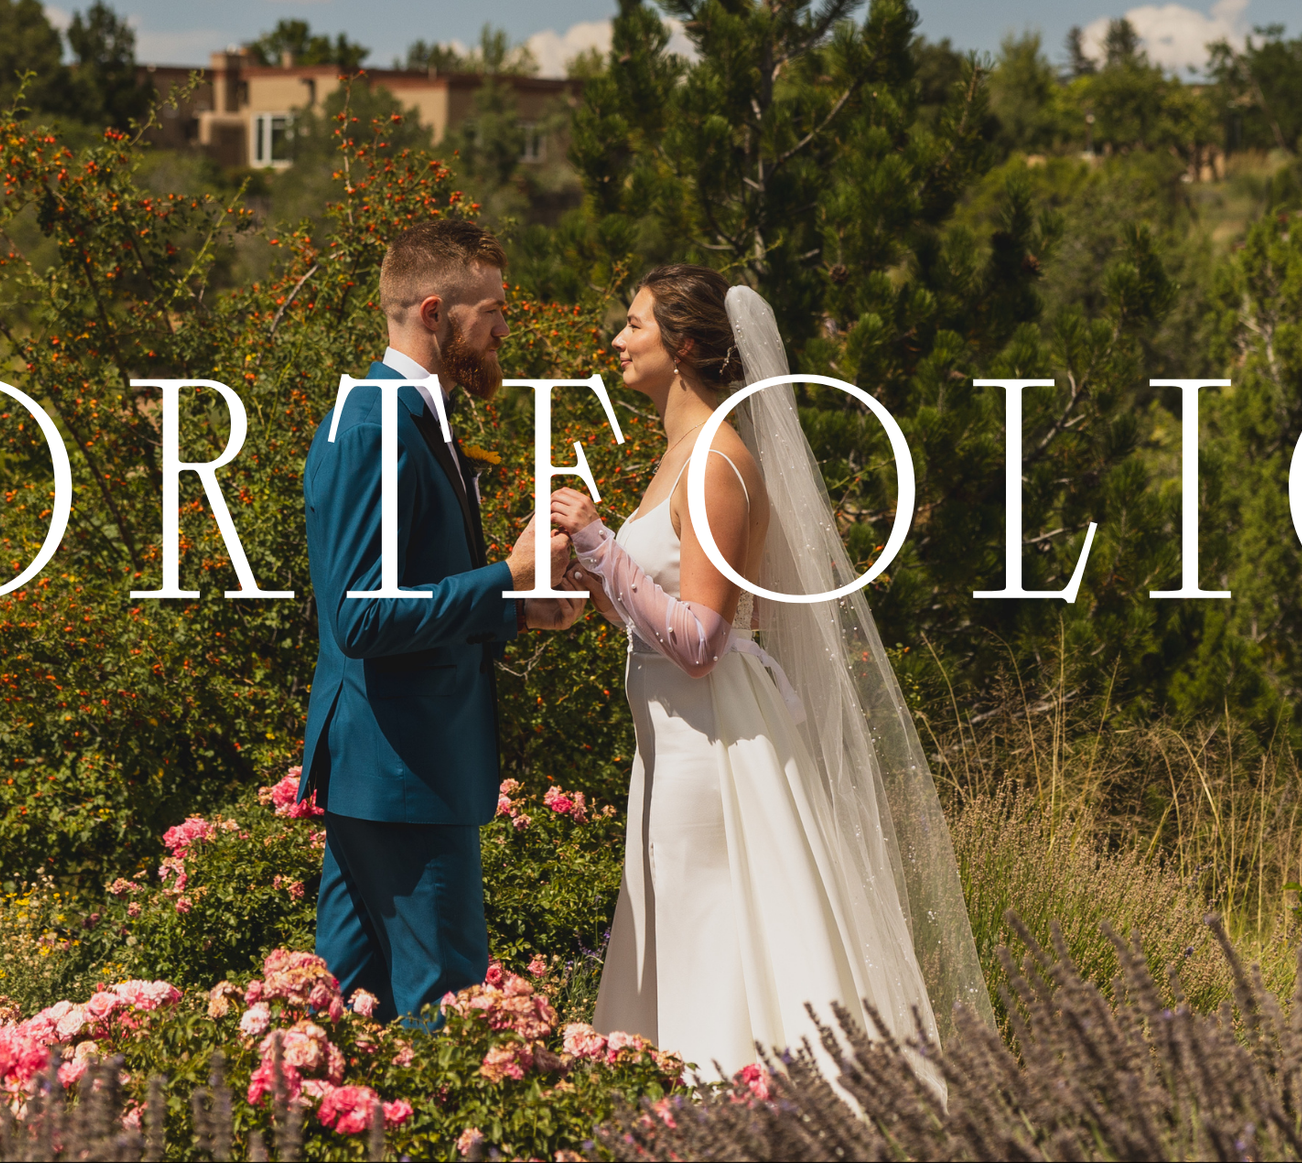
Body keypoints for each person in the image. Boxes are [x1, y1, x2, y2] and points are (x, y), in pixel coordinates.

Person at [548, 265, 989, 1078]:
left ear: (682, 346)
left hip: (708, 748)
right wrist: (594, 578)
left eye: (635, 325)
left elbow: (702, 638)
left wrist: (600, 542)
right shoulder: (681, 452)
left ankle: (725, 1106)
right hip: (672, 743)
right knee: (679, 930)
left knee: (708, 939)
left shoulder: (716, 458)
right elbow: (656, 613)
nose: (617, 340)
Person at [301, 219, 582, 1022]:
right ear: (434, 312)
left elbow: (411, 596)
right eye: (491, 310)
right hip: (404, 775)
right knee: (449, 1020)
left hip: (392, 767)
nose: (503, 328)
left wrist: (516, 610)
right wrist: (507, 574)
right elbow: (360, 615)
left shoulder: (416, 415)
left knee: (345, 1019)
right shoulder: (376, 422)